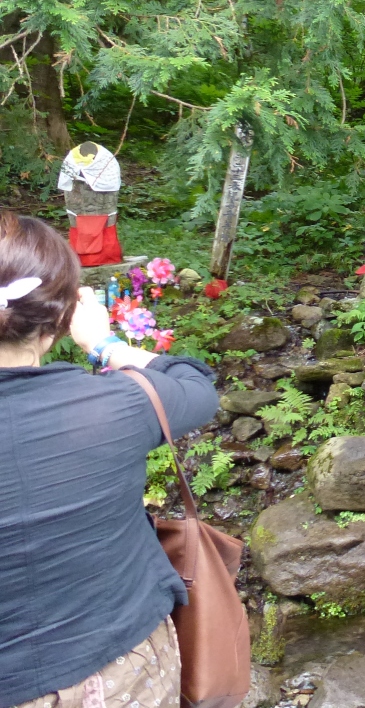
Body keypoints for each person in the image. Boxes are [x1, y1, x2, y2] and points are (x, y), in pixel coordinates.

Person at [0, 212, 219, 707]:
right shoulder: (120, 405)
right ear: (60, 319)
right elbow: (196, 384)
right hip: (128, 671)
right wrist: (105, 344)